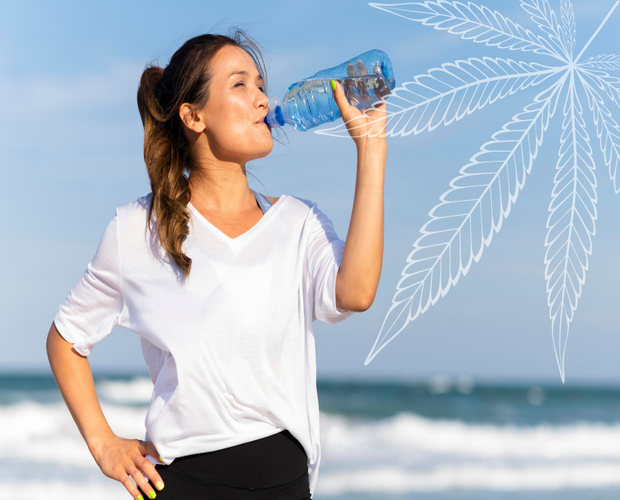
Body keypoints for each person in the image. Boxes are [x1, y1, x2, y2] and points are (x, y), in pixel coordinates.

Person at [46, 28, 387, 500]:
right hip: (181, 484)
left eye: (262, 85)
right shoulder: (136, 230)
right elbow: (66, 339)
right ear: (193, 115)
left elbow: (357, 293)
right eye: (240, 84)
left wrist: (371, 150)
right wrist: (103, 444)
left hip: (284, 486)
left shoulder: (298, 222)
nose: (263, 100)